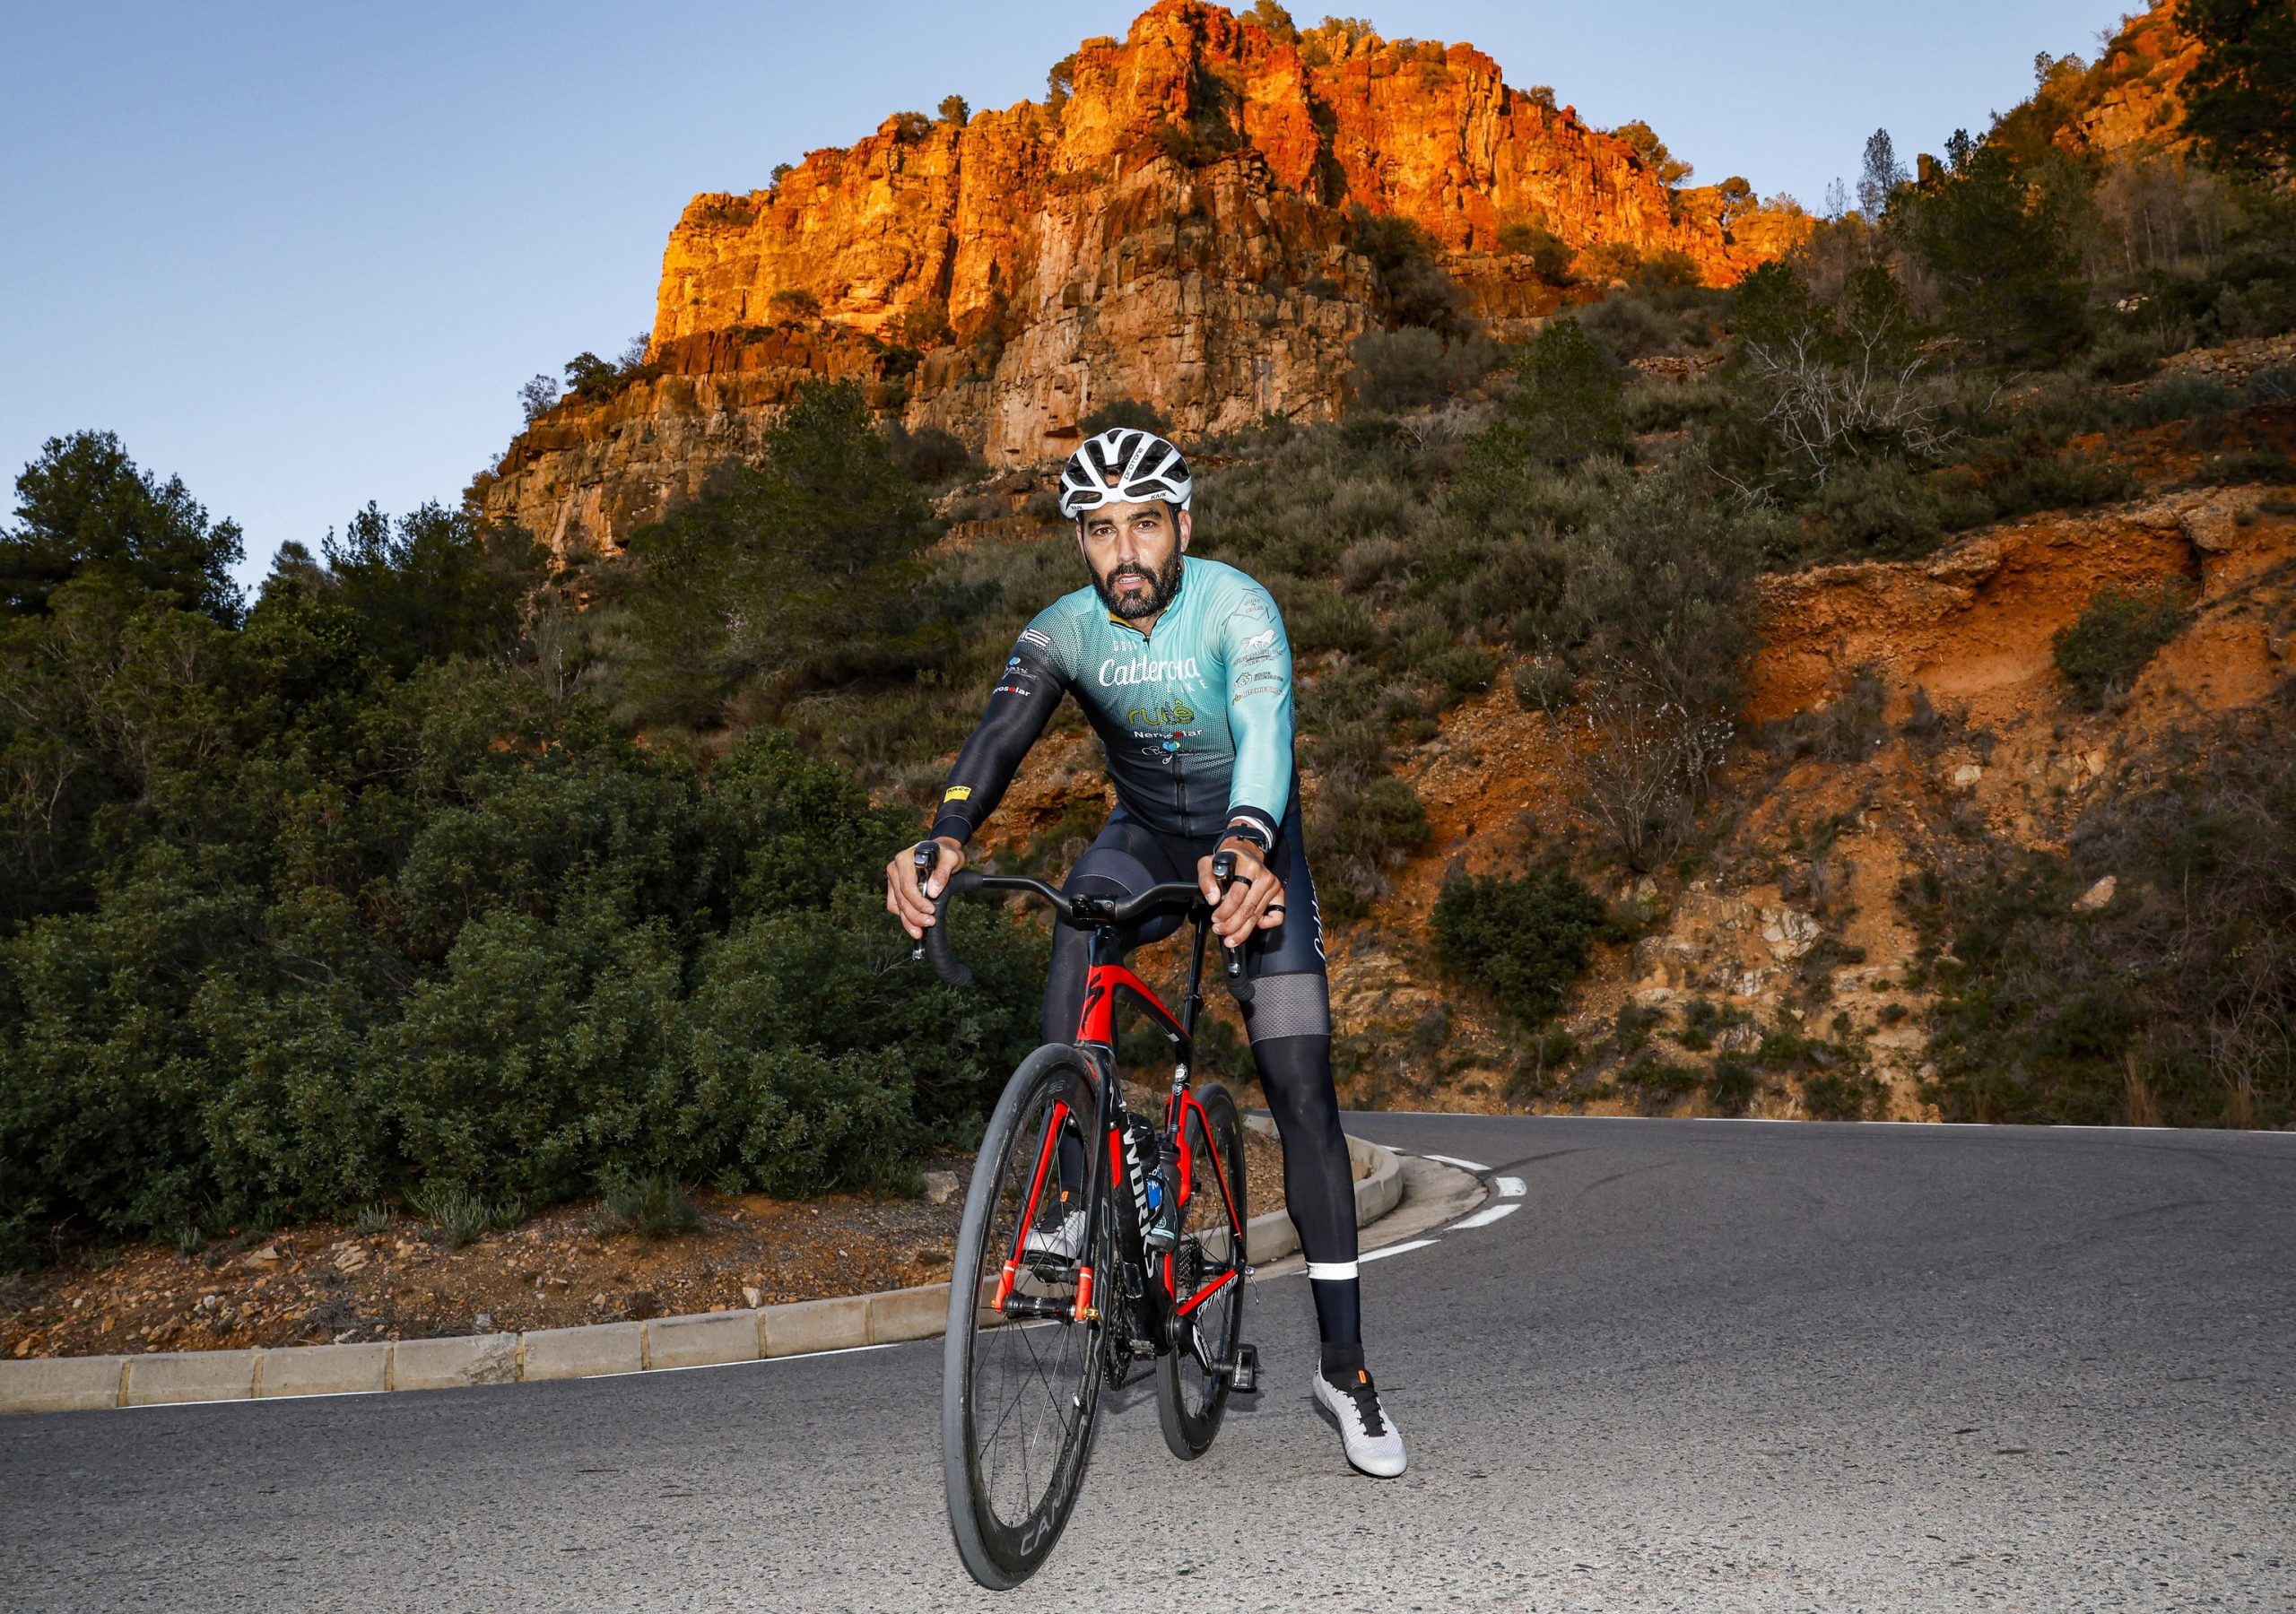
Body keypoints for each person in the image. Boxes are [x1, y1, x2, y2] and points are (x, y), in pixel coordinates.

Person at [885, 427, 1406, 1479]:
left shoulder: (1236, 608)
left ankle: (1345, 1374)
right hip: (1141, 842)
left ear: (1182, 526)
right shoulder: (1062, 631)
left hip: (1254, 848)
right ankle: (1081, 1206)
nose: (1124, 551)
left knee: (1301, 1085)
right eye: (1100, 530)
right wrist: (943, 834)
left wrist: (1249, 845)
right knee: (1079, 924)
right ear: (1080, 541)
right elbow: (994, 743)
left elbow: (1265, 731)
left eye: (1144, 524)